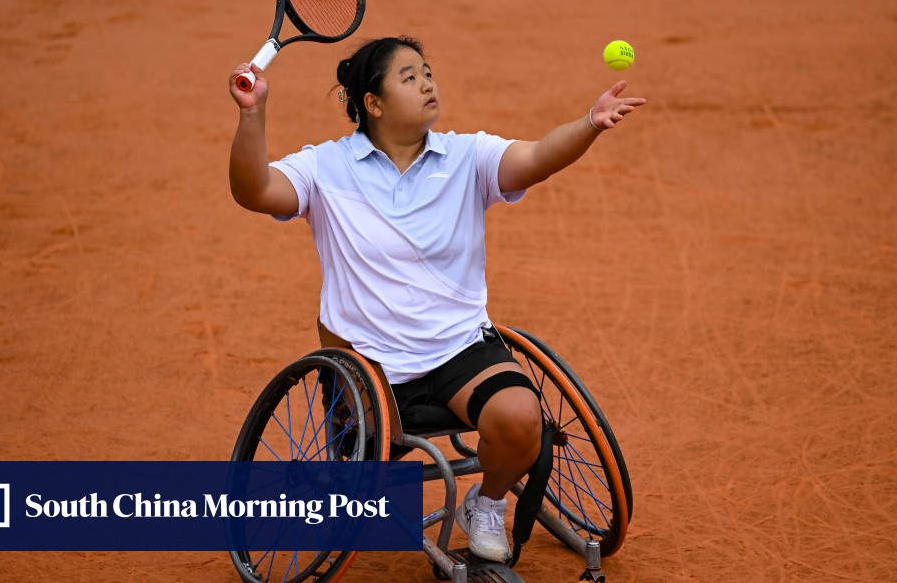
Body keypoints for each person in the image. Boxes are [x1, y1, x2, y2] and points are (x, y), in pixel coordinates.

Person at [227, 36, 644, 562]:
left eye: (427, 72)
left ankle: (485, 504)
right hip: (367, 366)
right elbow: (254, 191)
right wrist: (252, 114)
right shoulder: (325, 168)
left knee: (521, 416)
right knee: (360, 480)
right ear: (372, 104)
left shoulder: (467, 156)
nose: (427, 82)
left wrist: (589, 123)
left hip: (456, 350)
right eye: (408, 76)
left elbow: (537, 156)